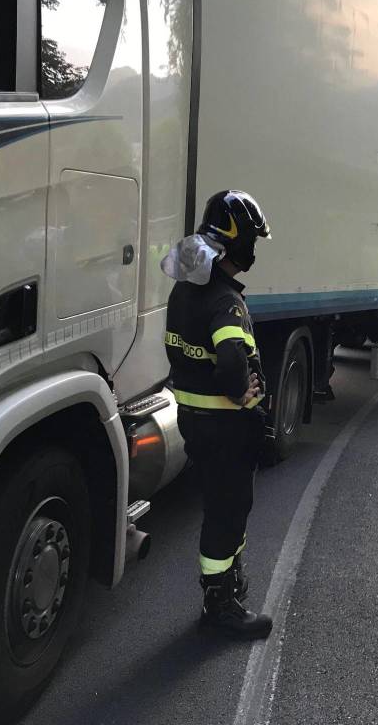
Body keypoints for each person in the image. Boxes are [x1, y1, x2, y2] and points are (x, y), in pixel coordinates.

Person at [162, 190, 273, 639]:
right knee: (229, 508)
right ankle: (220, 603)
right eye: (253, 241)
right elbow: (230, 361)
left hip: (194, 420)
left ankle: (228, 580)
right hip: (225, 427)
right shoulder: (225, 300)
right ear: (239, 242)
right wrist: (243, 393)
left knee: (221, 505)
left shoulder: (185, 290)